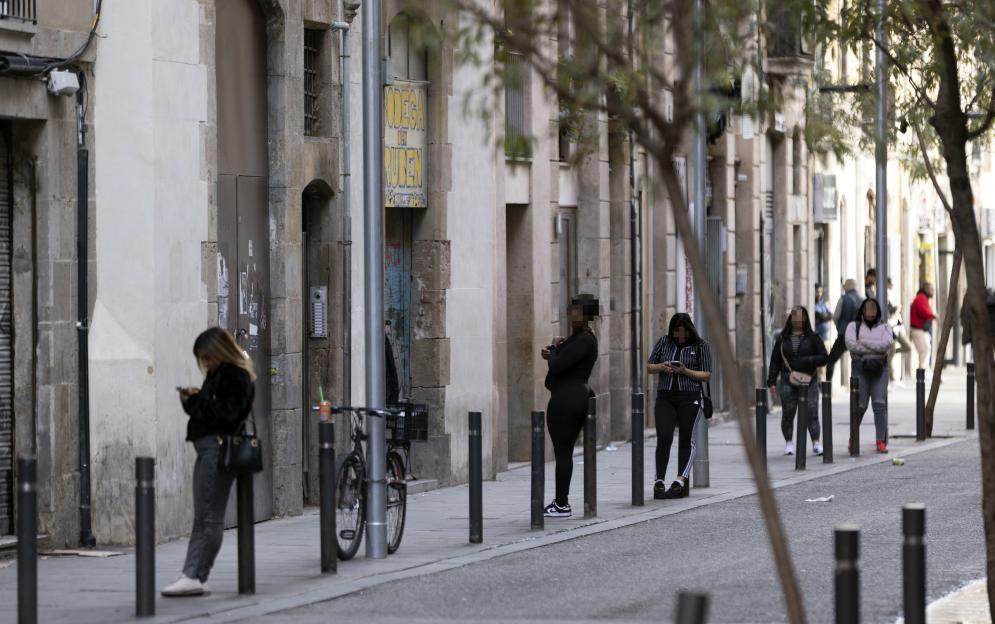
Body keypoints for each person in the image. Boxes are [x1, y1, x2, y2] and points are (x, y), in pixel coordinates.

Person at [162, 327, 256, 597]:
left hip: (215, 450)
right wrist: (192, 400)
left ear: (219, 352)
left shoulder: (234, 375)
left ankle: (195, 575)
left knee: (209, 517)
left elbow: (226, 416)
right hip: (207, 449)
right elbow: (208, 413)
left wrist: (199, 401)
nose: (205, 364)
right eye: (202, 359)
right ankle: (193, 575)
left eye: (207, 358)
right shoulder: (221, 374)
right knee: (203, 516)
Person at [541, 295, 599, 518]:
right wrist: (556, 349)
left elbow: (556, 366)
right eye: (571, 309)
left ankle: (562, 503)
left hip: (569, 399)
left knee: (563, 453)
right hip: (569, 396)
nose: (571, 314)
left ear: (587, 315)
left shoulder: (584, 339)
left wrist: (554, 350)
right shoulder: (579, 338)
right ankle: (560, 501)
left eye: (577, 310)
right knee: (563, 452)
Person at [647, 313, 712, 500]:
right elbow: (649, 366)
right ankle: (659, 481)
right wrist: (662, 367)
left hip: (689, 396)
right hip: (665, 396)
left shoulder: (701, 346)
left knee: (686, 438)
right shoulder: (663, 342)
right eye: (676, 331)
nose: (679, 335)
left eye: (683, 331)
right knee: (664, 437)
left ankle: (680, 481)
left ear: (689, 330)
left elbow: (707, 375)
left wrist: (684, 370)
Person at [767, 307, 828, 456]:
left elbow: (824, 357)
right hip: (788, 379)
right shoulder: (783, 337)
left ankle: (816, 442)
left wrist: (807, 360)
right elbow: (775, 360)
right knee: (788, 412)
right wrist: (771, 381)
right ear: (791, 320)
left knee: (812, 412)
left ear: (805, 319)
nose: (798, 322)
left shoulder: (813, 337)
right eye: (795, 319)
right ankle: (788, 442)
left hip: (809, 379)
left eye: (801, 319)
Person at [845, 298, 894, 453]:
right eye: (868, 311)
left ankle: (881, 441)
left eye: (874, 312)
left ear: (878, 311)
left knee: (879, 404)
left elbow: (886, 344)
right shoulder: (854, 326)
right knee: (860, 405)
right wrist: (875, 349)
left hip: (880, 369)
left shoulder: (885, 327)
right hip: (860, 369)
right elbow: (851, 344)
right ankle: (853, 438)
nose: (871, 315)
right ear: (863, 311)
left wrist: (864, 343)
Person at [826, 279, 864, 379]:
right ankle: (857, 390)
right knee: (857, 362)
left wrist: (839, 328)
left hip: (844, 336)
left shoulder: (843, 299)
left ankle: (827, 389)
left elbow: (835, 317)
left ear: (846, 287)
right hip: (858, 337)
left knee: (831, 361)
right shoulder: (863, 300)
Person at [884, 278, 913, 382]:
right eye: (890, 283)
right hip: (890, 328)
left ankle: (892, 353)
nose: (892, 285)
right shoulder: (883, 294)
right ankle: (891, 379)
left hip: (897, 326)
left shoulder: (892, 294)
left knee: (908, 347)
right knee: (890, 356)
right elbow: (886, 312)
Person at [909, 283, 937, 370]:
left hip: (922, 329)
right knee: (924, 349)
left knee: (926, 349)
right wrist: (933, 315)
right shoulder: (921, 298)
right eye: (931, 289)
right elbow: (924, 311)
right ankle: (922, 370)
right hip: (917, 329)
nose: (933, 292)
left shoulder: (924, 298)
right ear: (926, 289)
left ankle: (924, 369)